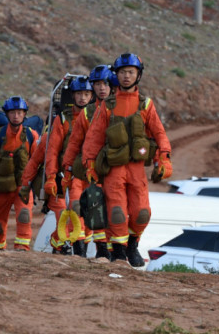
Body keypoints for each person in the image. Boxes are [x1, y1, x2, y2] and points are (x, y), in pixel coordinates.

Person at [82, 53, 173, 266]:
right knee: (116, 213)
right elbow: (94, 137)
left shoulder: (146, 105)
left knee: (142, 213)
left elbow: (159, 133)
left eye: (131, 72)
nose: (126, 76)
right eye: (122, 72)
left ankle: (133, 244)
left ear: (138, 75)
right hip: (113, 169)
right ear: (117, 75)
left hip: (136, 168)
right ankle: (120, 254)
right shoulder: (108, 105)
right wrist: (89, 164)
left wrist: (164, 158)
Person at [61, 65, 114, 259]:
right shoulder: (80, 116)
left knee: (111, 211)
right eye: (97, 84)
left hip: (107, 171)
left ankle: (111, 252)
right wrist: (63, 172)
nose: (102, 88)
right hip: (81, 170)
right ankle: (80, 251)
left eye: (105, 84)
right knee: (77, 208)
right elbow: (71, 145)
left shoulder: (120, 109)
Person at [0, 97, 39, 251]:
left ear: (24, 114)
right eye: (12, 113)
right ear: (7, 115)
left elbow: (38, 160)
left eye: (19, 112)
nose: (16, 116)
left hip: (22, 186)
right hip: (1, 186)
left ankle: (22, 247)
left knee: (24, 214)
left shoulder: (32, 135)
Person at [44, 76, 94, 256]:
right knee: (76, 213)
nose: (83, 97)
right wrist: (51, 177)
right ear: (73, 96)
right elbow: (53, 151)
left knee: (89, 219)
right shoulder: (63, 119)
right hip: (69, 175)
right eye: (79, 93)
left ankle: (59, 245)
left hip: (91, 174)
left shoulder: (97, 117)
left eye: (87, 94)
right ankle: (77, 255)